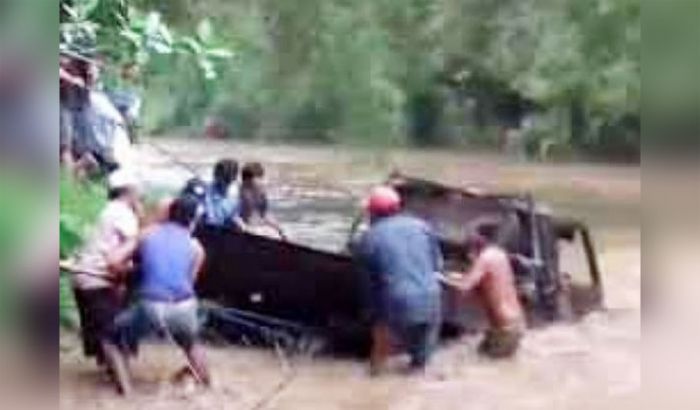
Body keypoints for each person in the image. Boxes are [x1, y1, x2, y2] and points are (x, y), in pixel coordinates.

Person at [115, 195, 211, 387]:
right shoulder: (197, 248)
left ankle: (125, 393)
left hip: (151, 305)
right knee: (190, 344)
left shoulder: (148, 233)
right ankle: (205, 383)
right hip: (184, 306)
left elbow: (114, 261)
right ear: (193, 221)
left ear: (169, 214)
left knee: (113, 337)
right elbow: (188, 284)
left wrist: (131, 272)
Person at [354, 186, 444, 375]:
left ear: (372, 212)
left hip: (397, 302)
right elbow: (437, 266)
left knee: (379, 358)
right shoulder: (422, 226)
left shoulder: (368, 238)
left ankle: (374, 380)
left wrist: (370, 317)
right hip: (432, 299)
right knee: (419, 366)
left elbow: (368, 286)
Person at [70, 169, 141, 390]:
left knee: (103, 331)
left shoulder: (105, 210)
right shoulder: (123, 213)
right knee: (112, 335)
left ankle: (112, 375)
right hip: (98, 277)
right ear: (129, 191)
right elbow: (133, 247)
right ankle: (124, 388)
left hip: (83, 277)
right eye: (137, 191)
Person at [440, 232, 526, 359]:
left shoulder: (484, 259)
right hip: (517, 322)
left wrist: (441, 278)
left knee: (483, 362)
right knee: (484, 356)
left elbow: (464, 287)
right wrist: (462, 277)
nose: (469, 259)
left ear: (472, 251)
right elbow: (490, 282)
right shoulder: (499, 254)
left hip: (505, 328)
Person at [238, 162, 286, 239]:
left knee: (277, 235)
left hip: (259, 227)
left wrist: (280, 229)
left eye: (261, 180)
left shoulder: (261, 191)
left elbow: (265, 213)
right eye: (254, 184)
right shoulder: (239, 193)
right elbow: (234, 215)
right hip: (245, 227)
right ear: (245, 182)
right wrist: (243, 226)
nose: (260, 185)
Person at [201, 158, 245, 230]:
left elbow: (235, 215)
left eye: (227, 179)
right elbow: (209, 217)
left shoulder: (236, 196)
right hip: (208, 229)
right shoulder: (207, 191)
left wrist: (237, 221)